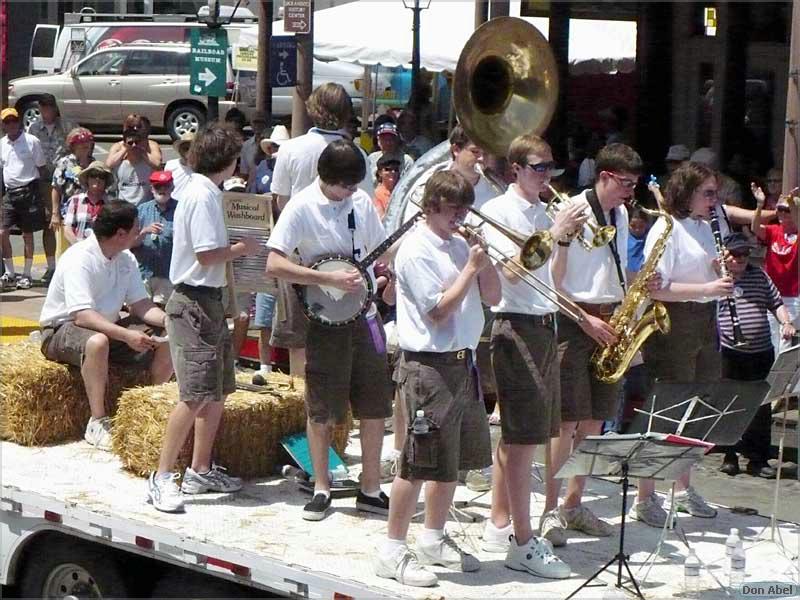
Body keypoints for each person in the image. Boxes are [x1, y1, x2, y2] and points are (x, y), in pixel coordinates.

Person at [373, 170, 501, 587]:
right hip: (428, 366)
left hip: (463, 362)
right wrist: (470, 268)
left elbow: (494, 297)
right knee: (417, 461)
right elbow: (438, 311)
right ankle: (392, 549)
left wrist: (486, 261)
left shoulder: (461, 243)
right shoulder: (415, 250)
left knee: (451, 462)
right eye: (452, 209)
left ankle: (432, 536)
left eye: (465, 208)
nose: (460, 217)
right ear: (430, 207)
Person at [266, 140, 393, 521]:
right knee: (322, 406)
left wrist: (385, 272)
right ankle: (321, 486)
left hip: (366, 315)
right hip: (325, 319)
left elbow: (380, 252)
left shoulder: (362, 202)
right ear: (326, 178)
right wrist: (324, 278)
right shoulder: (301, 207)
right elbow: (274, 263)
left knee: (374, 404)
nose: (352, 193)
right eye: (346, 187)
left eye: (356, 186)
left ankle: (371, 487)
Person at [479, 134, 587, 579]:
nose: (547, 176)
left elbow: (554, 279)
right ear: (516, 169)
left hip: (544, 323)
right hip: (514, 325)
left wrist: (562, 241)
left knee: (527, 436)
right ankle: (522, 542)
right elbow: (506, 275)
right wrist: (553, 232)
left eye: (550, 169)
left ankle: (502, 524)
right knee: (523, 441)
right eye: (539, 168)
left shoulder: (543, 211)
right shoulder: (499, 213)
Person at [148, 124, 261, 514]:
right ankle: (162, 476)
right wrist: (244, 248)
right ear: (228, 162)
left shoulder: (203, 192)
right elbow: (207, 254)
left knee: (216, 390)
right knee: (195, 393)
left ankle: (199, 469)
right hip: (192, 301)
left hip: (207, 299)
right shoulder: (201, 195)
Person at [544, 144, 646, 544]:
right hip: (575, 318)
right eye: (625, 183)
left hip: (610, 317)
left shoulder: (620, 214)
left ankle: (574, 504)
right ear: (604, 176)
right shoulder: (570, 210)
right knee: (565, 423)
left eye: (634, 184)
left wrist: (635, 294)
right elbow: (552, 280)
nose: (629, 192)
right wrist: (584, 320)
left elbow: (615, 268)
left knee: (593, 423)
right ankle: (551, 511)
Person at [638, 161, 736, 520]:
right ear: (687, 193)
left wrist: (717, 271)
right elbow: (657, 288)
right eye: (708, 193)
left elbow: (700, 272)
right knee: (666, 408)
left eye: (716, 193)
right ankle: (645, 496)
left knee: (698, 411)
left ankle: (682, 487)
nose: (715, 200)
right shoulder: (667, 228)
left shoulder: (705, 227)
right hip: (675, 322)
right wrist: (708, 286)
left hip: (705, 321)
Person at [39, 200, 174, 450]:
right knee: (98, 342)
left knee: (170, 333)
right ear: (121, 234)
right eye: (136, 229)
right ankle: (97, 420)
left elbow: (141, 305)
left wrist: (170, 320)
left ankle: (150, 403)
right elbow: (82, 316)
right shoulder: (79, 258)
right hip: (60, 329)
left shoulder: (126, 259)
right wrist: (125, 335)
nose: (139, 233)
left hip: (107, 326)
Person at [270, 83, 373, 378]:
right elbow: (362, 207)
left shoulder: (290, 149)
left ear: (313, 110)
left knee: (298, 341)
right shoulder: (358, 154)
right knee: (340, 339)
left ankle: (301, 404)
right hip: (345, 258)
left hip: (297, 254)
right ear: (345, 114)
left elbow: (281, 203)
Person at [716, 232, 794, 478]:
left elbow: (776, 303)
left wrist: (786, 322)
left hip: (760, 351)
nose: (740, 259)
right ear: (726, 255)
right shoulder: (717, 280)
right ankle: (729, 454)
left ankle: (758, 459)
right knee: (730, 404)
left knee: (761, 406)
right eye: (736, 254)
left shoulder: (759, 276)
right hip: (730, 352)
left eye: (744, 254)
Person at [0, 107, 47, 290]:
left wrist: (42, 196)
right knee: (3, 233)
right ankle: (10, 273)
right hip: (9, 194)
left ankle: (26, 274)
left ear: (19, 121)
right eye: (7, 122)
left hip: (29, 191)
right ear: (3, 125)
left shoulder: (31, 141)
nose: (11, 125)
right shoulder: (2, 143)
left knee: (28, 234)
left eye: (14, 121)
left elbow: (41, 168)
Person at [29, 94, 72, 282]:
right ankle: (52, 266)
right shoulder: (34, 128)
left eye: (49, 107)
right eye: (43, 108)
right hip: (44, 181)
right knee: (50, 222)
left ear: (55, 108)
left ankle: (69, 265)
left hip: (66, 181)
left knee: (70, 223)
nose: (46, 111)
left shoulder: (68, 126)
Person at [752, 185, 800, 353]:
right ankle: (775, 378)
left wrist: (792, 204)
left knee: (789, 344)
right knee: (774, 341)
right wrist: (759, 206)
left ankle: (792, 380)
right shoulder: (774, 231)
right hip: (773, 297)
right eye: (779, 209)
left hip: (794, 297)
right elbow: (755, 228)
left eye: (786, 210)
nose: (781, 213)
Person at [132, 171, 177, 305]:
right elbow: (130, 243)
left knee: (164, 312)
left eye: (166, 186)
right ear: (152, 189)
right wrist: (145, 231)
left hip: (168, 273)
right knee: (140, 311)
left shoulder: (180, 209)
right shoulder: (142, 209)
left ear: (172, 187)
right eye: (158, 187)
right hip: (144, 272)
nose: (162, 190)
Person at [51, 127, 96, 251]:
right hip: (68, 213)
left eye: (87, 143)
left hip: (88, 213)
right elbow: (56, 187)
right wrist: (55, 213)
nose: (85, 145)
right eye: (81, 143)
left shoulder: (93, 163)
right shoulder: (65, 163)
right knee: (65, 250)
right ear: (73, 145)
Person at [105, 114, 161, 206]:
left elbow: (157, 164)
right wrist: (127, 148)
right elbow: (109, 164)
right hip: (124, 203)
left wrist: (141, 149)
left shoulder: (151, 144)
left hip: (146, 202)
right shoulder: (119, 146)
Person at [62, 161, 113, 243]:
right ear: (87, 179)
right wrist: (80, 248)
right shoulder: (75, 201)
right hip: (79, 249)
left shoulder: (112, 204)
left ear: (105, 181)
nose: (97, 179)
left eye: (101, 176)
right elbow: (67, 229)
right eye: (93, 175)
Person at [254, 125, 290, 195]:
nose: (279, 149)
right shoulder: (263, 165)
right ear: (270, 148)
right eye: (276, 146)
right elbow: (255, 189)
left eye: (282, 146)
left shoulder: (291, 167)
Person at [240, 111, 269, 191]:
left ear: (266, 124)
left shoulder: (272, 144)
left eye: (261, 122)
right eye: (255, 122)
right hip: (251, 189)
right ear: (251, 124)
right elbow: (244, 172)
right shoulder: (246, 146)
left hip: (268, 188)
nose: (258, 125)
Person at [165, 133, 194, 200]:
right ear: (180, 150)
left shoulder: (202, 167)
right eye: (185, 148)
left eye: (191, 148)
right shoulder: (170, 165)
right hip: (174, 205)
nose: (188, 152)